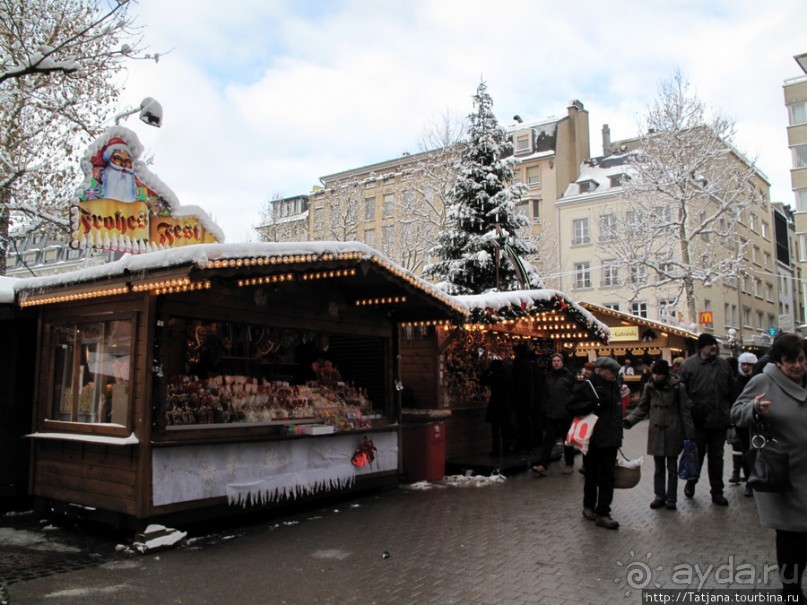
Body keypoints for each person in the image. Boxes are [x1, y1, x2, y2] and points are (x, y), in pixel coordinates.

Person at [731, 333, 807, 602]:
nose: (797, 366)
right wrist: (754, 407)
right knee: (791, 539)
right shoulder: (764, 380)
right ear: (778, 361)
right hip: (784, 474)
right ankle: (791, 593)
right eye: (790, 361)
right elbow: (736, 413)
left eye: (801, 359)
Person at [624, 359, 695, 511]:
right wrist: (629, 421)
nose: (656, 377)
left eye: (659, 374)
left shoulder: (678, 387)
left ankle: (671, 498)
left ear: (665, 374)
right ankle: (659, 496)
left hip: (672, 431)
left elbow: (684, 411)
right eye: (654, 373)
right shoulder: (649, 387)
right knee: (658, 468)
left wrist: (689, 434)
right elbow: (642, 407)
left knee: (672, 467)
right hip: (656, 432)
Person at [567, 356, 626, 529]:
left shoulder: (613, 386)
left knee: (608, 477)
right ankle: (589, 507)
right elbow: (571, 405)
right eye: (612, 371)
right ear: (601, 370)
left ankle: (603, 512)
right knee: (592, 475)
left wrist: (618, 436)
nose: (614, 374)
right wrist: (590, 405)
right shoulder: (587, 385)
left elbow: (615, 413)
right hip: (593, 439)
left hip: (611, 439)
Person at [679, 333, 737, 506]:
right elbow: (681, 392)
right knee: (697, 456)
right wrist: (691, 409)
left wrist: (730, 410)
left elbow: (732, 390)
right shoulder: (689, 366)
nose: (713, 348)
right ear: (701, 347)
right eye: (710, 345)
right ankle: (692, 482)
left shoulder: (724, 365)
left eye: (714, 345)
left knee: (717, 458)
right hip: (698, 422)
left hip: (719, 420)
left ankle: (717, 492)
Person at [532, 353, 576, 477]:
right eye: (554, 361)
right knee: (548, 440)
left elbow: (575, 393)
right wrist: (544, 408)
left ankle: (569, 464)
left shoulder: (569, 376)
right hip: (551, 413)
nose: (556, 363)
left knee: (567, 441)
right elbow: (545, 394)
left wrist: (570, 407)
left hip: (565, 413)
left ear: (562, 362)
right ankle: (543, 465)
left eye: (558, 360)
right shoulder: (549, 377)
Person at [729, 352, 758, 496]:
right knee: (746, 453)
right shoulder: (735, 382)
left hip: (757, 422)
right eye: (744, 364)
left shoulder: (757, 380)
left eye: (749, 365)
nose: (746, 367)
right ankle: (749, 482)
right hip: (741, 423)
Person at [482, 359, 513, 456]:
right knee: (505, 428)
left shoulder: (493, 376)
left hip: (495, 403)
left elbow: (482, 381)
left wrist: (487, 371)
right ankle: (506, 449)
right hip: (505, 403)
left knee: (495, 428)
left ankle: (496, 450)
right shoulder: (507, 376)